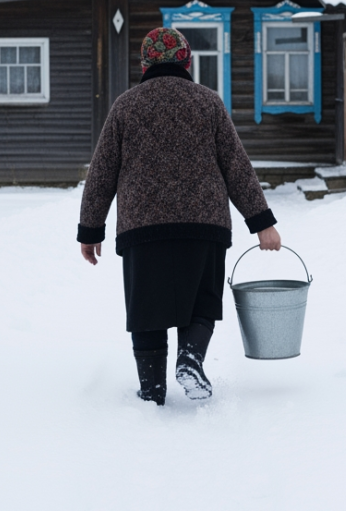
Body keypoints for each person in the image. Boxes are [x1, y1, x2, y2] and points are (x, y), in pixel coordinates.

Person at [78, 27, 281, 406]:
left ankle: (152, 391)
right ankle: (190, 359)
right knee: (202, 301)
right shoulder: (208, 103)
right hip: (204, 224)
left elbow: (102, 172)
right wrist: (262, 223)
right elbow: (236, 166)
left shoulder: (125, 106)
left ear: (144, 64)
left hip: (143, 226)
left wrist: (91, 229)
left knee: (146, 309)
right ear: (187, 62)